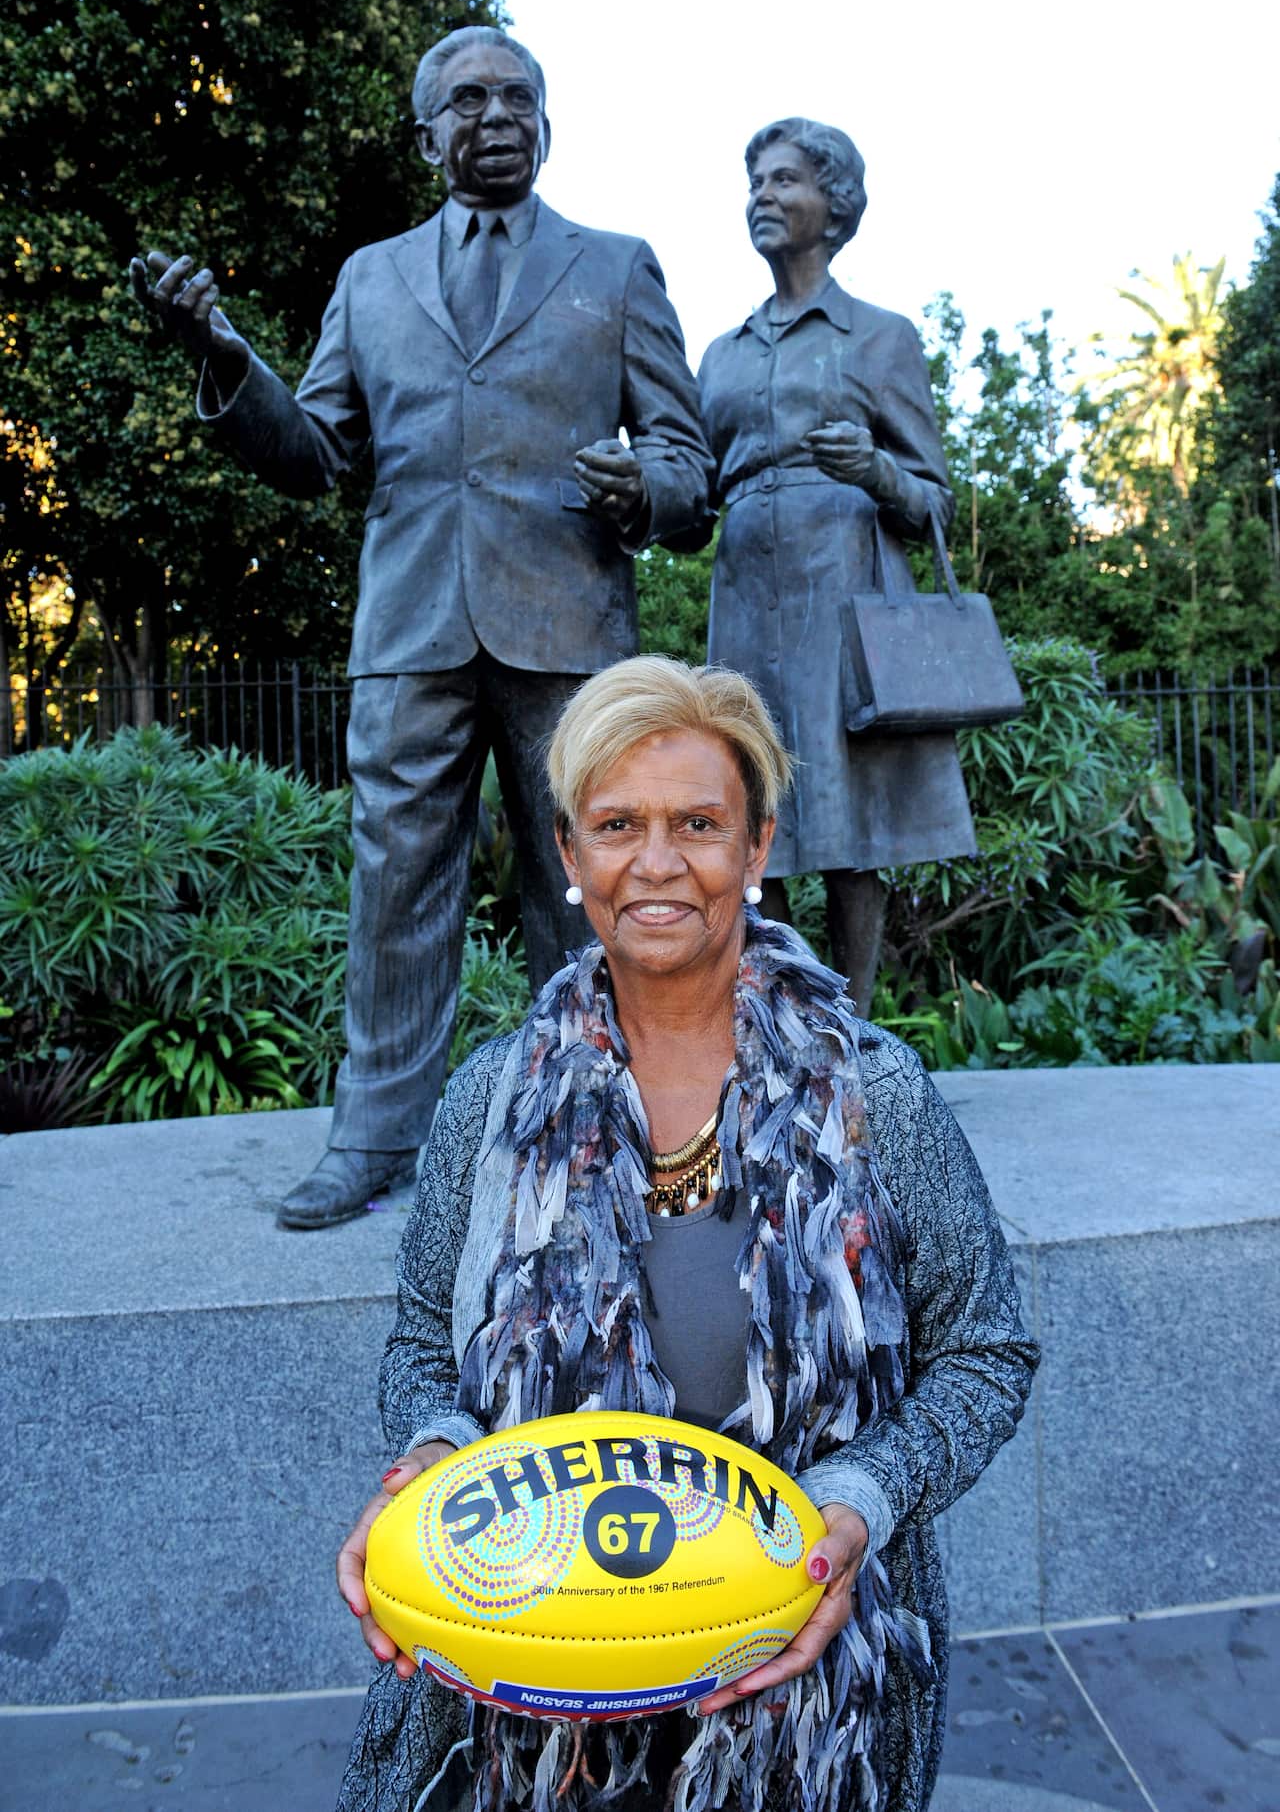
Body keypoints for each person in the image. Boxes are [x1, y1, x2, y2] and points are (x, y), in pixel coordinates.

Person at [334, 655, 1038, 1812]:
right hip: (523, 1685)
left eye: (697, 823)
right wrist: (426, 1471)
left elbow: (987, 1351)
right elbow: (421, 1343)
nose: (655, 863)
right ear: (568, 856)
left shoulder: (873, 1097)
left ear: (753, 851)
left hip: (805, 1696)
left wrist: (863, 1492)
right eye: (617, 824)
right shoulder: (490, 1101)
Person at [129, 26, 711, 1230]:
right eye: (465, 100)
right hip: (409, 636)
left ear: (547, 126)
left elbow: (688, 463)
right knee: (394, 887)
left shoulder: (614, 266)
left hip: (568, 633)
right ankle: (373, 1140)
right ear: (426, 132)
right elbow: (316, 458)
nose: (493, 115)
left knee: (590, 889)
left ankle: (608, 1131)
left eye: (516, 97)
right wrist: (225, 358)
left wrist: (644, 489)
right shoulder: (370, 280)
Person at [699, 118, 978, 1013]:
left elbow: (934, 500)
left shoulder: (880, 338)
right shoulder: (724, 353)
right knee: (751, 802)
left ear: (835, 203)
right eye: (756, 185)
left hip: (846, 590)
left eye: (785, 181)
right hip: (747, 590)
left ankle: (851, 1024)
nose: (764, 198)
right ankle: (776, 1017)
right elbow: (693, 489)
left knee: (850, 813)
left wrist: (874, 468)